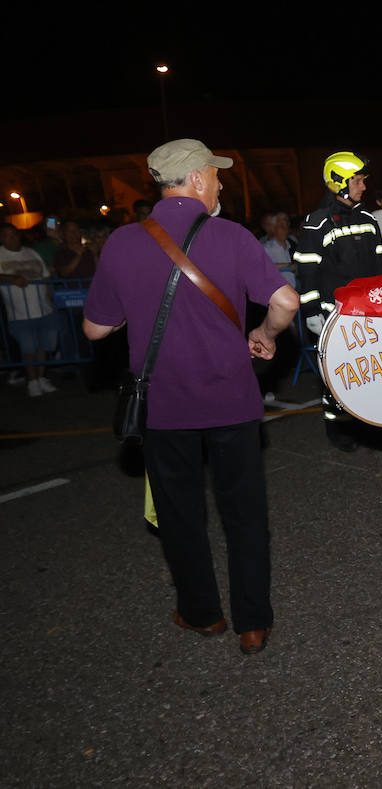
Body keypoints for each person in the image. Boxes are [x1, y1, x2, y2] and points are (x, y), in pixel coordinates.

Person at [82, 139, 298, 655]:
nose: (221, 183)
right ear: (198, 179)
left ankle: (202, 614)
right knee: (243, 511)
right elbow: (285, 300)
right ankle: (252, 623)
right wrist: (265, 335)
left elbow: (94, 329)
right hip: (231, 399)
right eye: (216, 175)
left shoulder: (122, 243)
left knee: (180, 513)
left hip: (163, 406)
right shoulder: (231, 236)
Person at [294, 151, 382, 452]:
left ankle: (371, 420)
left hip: (369, 313)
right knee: (338, 375)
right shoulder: (316, 223)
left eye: (362, 181)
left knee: (371, 370)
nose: (363, 187)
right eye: (357, 181)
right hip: (332, 316)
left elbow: (379, 268)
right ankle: (337, 425)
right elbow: (306, 270)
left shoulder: (368, 219)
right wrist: (311, 311)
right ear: (339, 184)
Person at [0, 224, 59, 397]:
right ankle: (32, 381)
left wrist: (51, 301)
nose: (11, 238)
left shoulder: (31, 252)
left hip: (44, 309)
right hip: (20, 313)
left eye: (14, 235)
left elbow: (45, 277)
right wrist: (11, 277)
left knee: (44, 346)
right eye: (6, 235)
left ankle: (41, 377)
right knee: (28, 348)